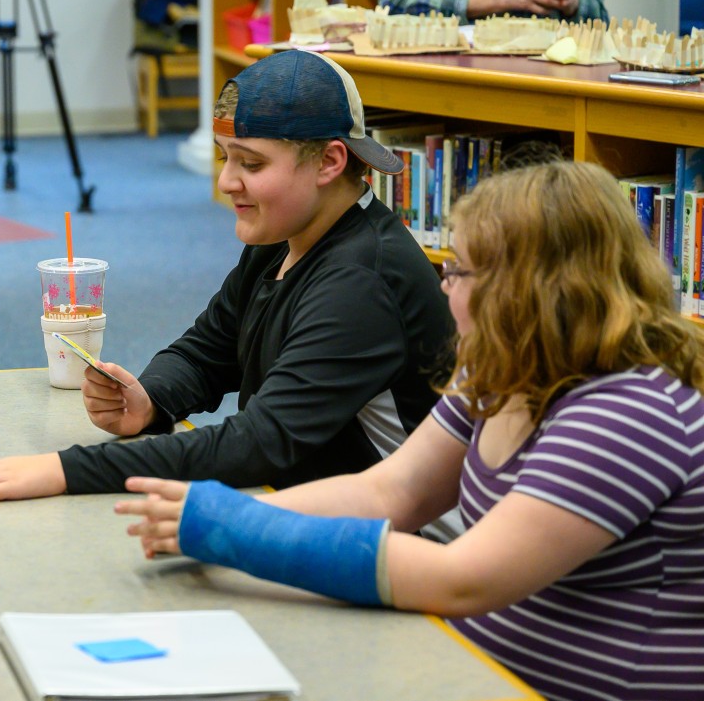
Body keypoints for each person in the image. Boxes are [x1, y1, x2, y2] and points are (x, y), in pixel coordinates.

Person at [117, 160, 704, 701]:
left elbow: (463, 579)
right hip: (482, 672)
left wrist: (238, 531)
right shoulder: (502, 369)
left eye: (459, 272)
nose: (445, 290)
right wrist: (214, 516)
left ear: (530, 292)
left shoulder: (630, 412)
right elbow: (390, 492)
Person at [0, 50, 453, 503]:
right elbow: (207, 351)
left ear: (330, 162)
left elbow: (259, 443)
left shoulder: (362, 282)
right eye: (227, 158)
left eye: (250, 163)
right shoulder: (287, 236)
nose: (227, 181)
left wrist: (62, 470)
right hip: (303, 507)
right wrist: (151, 400)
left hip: (397, 543)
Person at [379, 0, 606, 23]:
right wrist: (503, 1)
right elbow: (393, 3)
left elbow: (602, 18)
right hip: (458, 76)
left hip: (557, 79)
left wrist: (572, 4)